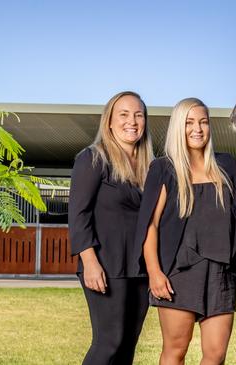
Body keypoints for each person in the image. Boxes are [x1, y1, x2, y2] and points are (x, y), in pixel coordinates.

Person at [135, 97, 236, 365]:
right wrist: (154, 272)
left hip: (221, 274)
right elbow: (150, 225)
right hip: (179, 274)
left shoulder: (225, 166)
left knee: (216, 355)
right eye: (189, 123)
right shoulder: (164, 168)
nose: (197, 129)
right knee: (175, 352)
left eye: (203, 122)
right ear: (179, 127)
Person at [69, 91, 154, 364]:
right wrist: (89, 261)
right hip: (105, 265)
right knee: (109, 341)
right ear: (109, 121)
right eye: (124, 114)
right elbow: (78, 214)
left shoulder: (150, 167)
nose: (132, 121)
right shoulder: (93, 158)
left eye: (138, 115)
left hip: (139, 268)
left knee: (128, 345)